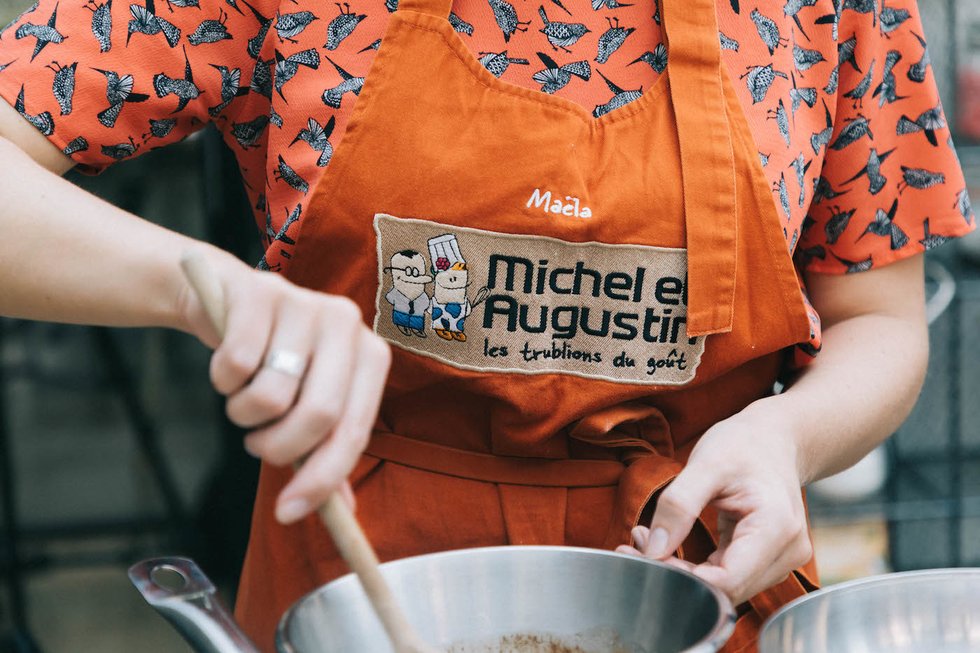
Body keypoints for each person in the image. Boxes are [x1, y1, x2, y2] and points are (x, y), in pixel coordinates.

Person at [0, 0, 974, 650]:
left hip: (701, 591)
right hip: (362, 582)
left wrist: (787, 434)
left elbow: (878, 320)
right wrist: (202, 286)